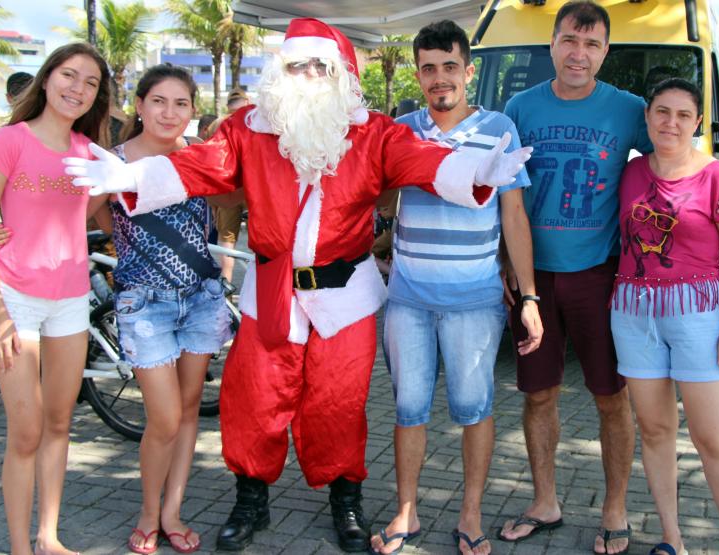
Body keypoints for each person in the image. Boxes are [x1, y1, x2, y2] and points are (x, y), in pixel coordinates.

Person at [63, 17, 530, 553]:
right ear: (281, 73)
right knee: (254, 400)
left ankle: (345, 502)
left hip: (345, 296)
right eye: (298, 66)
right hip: (271, 291)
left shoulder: (373, 132)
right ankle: (250, 499)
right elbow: (201, 165)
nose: (309, 75)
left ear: (340, 75)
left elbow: (422, 159)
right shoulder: (249, 129)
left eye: (320, 66)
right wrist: (133, 176)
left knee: (338, 402)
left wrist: (475, 169)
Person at [498, 3, 719, 554]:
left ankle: (614, 509)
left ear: (605, 53)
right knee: (538, 395)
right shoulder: (519, 106)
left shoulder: (628, 109)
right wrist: (510, 271)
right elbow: (505, 192)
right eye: (570, 40)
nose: (578, 54)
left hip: (602, 276)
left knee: (611, 398)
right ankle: (545, 501)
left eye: (591, 45)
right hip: (535, 278)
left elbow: (679, 144)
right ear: (552, 43)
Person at [367, 20, 543, 555]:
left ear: (468, 71)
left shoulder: (500, 128)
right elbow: (380, 204)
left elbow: (514, 217)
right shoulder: (401, 130)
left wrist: (529, 296)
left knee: (474, 408)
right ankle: (406, 512)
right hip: (408, 299)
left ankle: (470, 515)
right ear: (418, 75)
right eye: (428, 69)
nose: (438, 78)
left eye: (449, 67)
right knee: (408, 409)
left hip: (474, 300)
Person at [0, 42, 111, 555]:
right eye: (69, 76)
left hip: (71, 301)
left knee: (59, 423)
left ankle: (48, 537)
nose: (77, 88)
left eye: (90, 83)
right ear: (47, 80)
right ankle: (19, 547)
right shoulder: (10, 141)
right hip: (16, 302)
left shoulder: (91, 154)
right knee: (25, 432)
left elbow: (88, 208)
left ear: (98, 97)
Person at [611, 77, 719, 555]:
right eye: (661, 111)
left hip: (700, 316)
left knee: (712, 437)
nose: (670, 122)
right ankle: (671, 538)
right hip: (633, 314)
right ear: (648, 116)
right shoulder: (630, 172)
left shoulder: (718, 178)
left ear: (697, 123)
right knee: (654, 431)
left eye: (682, 115)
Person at [104, 64, 234, 555]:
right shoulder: (113, 161)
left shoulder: (199, 158)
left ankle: (173, 512)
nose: (169, 112)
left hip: (201, 300)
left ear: (193, 112)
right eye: (158, 100)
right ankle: (147, 511)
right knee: (162, 417)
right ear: (139, 105)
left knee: (185, 411)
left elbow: (230, 202)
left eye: (181, 104)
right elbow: (79, 214)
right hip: (145, 306)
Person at [214, 89, 252, 282]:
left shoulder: (219, 123)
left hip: (228, 188)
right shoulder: (255, 121)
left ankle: (226, 287)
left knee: (226, 240)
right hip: (248, 189)